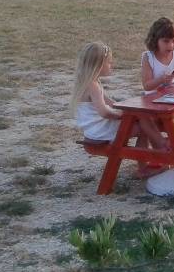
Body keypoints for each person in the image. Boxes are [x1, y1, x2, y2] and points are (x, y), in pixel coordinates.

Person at [70, 42, 168, 177]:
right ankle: (155, 153)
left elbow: (111, 102)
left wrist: (126, 109)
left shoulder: (89, 82)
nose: (112, 65)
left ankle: (157, 148)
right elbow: (104, 112)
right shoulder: (93, 86)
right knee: (143, 127)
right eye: (109, 63)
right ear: (99, 64)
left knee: (140, 116)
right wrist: (121, 115)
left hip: (94, 130)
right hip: (100, 131)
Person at [141, 17, 174, 92]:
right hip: (152, 99)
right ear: (155, 40)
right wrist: (161, 80)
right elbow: (146, 86)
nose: (171, 45)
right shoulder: (148, 58)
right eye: (166, 41)